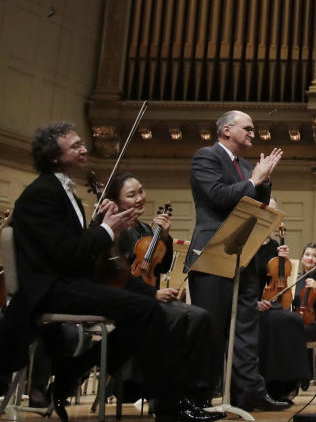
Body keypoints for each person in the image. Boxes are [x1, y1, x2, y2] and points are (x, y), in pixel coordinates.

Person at [0, 122, 220, 422]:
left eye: (82, 143)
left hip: (68, 283)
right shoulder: (41, 194)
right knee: (145, 310)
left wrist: (106, 232)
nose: (83, 148)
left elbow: (77, 254)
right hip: (49, 290)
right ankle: (171, 403)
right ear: (53, 155)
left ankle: (72, 371)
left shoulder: (63, 192)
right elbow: (66, 253)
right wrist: (106, 230)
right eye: (75, 145)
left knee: (141, 311)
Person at [186, 110, 285, 412]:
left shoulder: (244, 165)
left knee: (246, 329)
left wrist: (264, 179)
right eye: (248, 129)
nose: (254, 134)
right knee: (211, 328)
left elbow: (259, 202)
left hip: (244, 253)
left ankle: (250, 393)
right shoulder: (206, 157)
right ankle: (199, 397)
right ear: (227, 130)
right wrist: (256, 178)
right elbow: (216, 197)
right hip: (212, 252)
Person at [108, 173, 217, 406]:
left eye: (141, 191)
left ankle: (191, 394)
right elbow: (116, 277)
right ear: (116, 202)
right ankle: (170, 395)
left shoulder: (146, 228)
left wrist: (164, 237)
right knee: (191, 318)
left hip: (148, 298)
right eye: (131, 194)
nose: (139, 198)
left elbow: (162, 267)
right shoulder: (113, 229)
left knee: (200, 317)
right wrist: (153, 294)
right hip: (128, 301)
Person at [253, 221, 309, 406]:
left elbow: (277, 276)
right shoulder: (247, 242)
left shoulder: (273, 246)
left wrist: (283, 260)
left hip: (270, 302)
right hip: (250, 301)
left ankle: (287, 385)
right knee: (276, 322)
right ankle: (266, 386)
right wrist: (253, 303)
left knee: (292, 319)